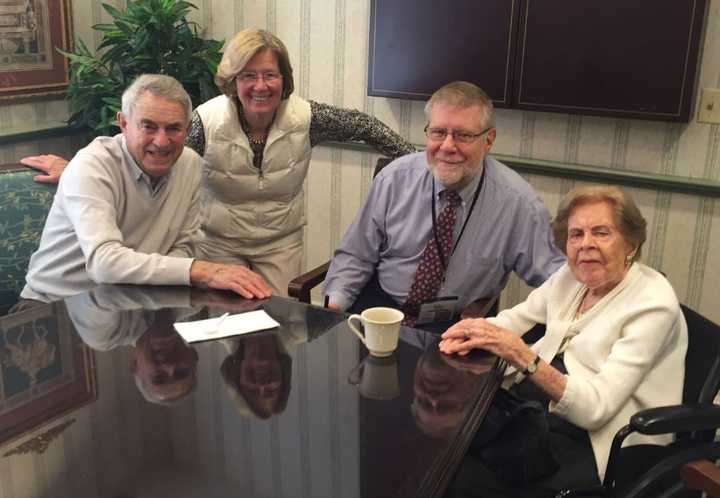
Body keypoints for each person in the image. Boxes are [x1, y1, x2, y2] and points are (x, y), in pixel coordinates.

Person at [21, 28, 415, 296]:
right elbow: (148, 152)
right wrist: (75, 168)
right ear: (232, 79)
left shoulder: (307, 118)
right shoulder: (203, 122)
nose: (260, 85)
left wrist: (418, 159)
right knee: (222, 329)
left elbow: (365, 126)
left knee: (274, 326)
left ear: (284, 79)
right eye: (248, 75)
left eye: (270, 75)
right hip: (218, 243)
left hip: (279, 242)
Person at [439, 185, 688, 496]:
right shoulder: (571, 277)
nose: (586, 245)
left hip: (600, 440)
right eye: (576, 234)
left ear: (631, 243)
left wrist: (522, 356)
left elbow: (595, 410)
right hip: (539, 413)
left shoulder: (653, 305)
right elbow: (515, 319)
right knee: (445, 448)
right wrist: (470, 332)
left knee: (462, 478)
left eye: (601, 232)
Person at [323, 81, 565, 326]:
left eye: (463, 135)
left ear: (489, 140)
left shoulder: (519, 204)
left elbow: (558, 280)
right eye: (438, 132)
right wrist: (334, 310)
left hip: (457, 322)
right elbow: (356, 254)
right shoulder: (394, 179)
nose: (448, 146)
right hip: (381, 307)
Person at [19, 74, 271, 305]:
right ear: (124, 123)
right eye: (148, 126)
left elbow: (187, 245)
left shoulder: (190, 164)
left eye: (174, 128)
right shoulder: (91, 166)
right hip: (54, 305)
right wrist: (206, 271)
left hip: (133, 300)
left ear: (187, 129)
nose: (162, 142)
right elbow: (104, 263)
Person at [65, 285, 203, 404]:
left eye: (159, 377)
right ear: (193, 354)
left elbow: (104, 288)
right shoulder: (196, 304)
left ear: (134, 364)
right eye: (181, 372)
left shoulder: (104, 335)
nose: (170, 366)